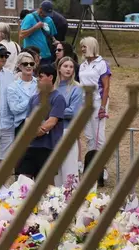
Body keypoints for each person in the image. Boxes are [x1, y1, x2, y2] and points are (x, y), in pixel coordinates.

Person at [16, 64, 65, 180]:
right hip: (30, 146)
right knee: (23, 180)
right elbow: (27, 120)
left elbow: (52, 122)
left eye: (41, 76)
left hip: (48, 147)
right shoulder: (34, 98)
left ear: (50, 78)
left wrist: (37, 131)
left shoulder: (58, 98)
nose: (38, 79)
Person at [79, 36, 111, 186]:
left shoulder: (102, 64)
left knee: (99, 137)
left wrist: (103, 106)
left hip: (97, 103)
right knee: (90, 137)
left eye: (84, 46)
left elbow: (106, 87)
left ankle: (102, 168)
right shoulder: (83, 65)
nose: (82, 49)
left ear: (91, 46)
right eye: (82, 47)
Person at [54, 56, 83, 186]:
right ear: (59, 68)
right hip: (52, 131)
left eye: (71, 67)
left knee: (69, 168)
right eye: (65, 66)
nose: (68, 69)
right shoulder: (53, 87)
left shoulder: (76, 88)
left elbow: (73, 111)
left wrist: (53, 111)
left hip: (67, 130)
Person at [7, 52, 38, 135]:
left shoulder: (40, 83)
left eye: (31, 64)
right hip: (21, 126)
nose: (28, 66)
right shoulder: (12, 86)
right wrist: (32, 99)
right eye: (25, 64)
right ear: (20, 66)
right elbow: (14, 109)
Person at [20, 1, 57, 65]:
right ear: (40, 9)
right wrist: (35, 27)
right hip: (31, 56)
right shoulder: (29, 17)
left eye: (48, 13)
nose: (46, 15)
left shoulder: (49, 20)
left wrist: (55, 41)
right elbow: (21, 35)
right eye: (45, 13)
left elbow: (51, 35)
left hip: (46, 56)